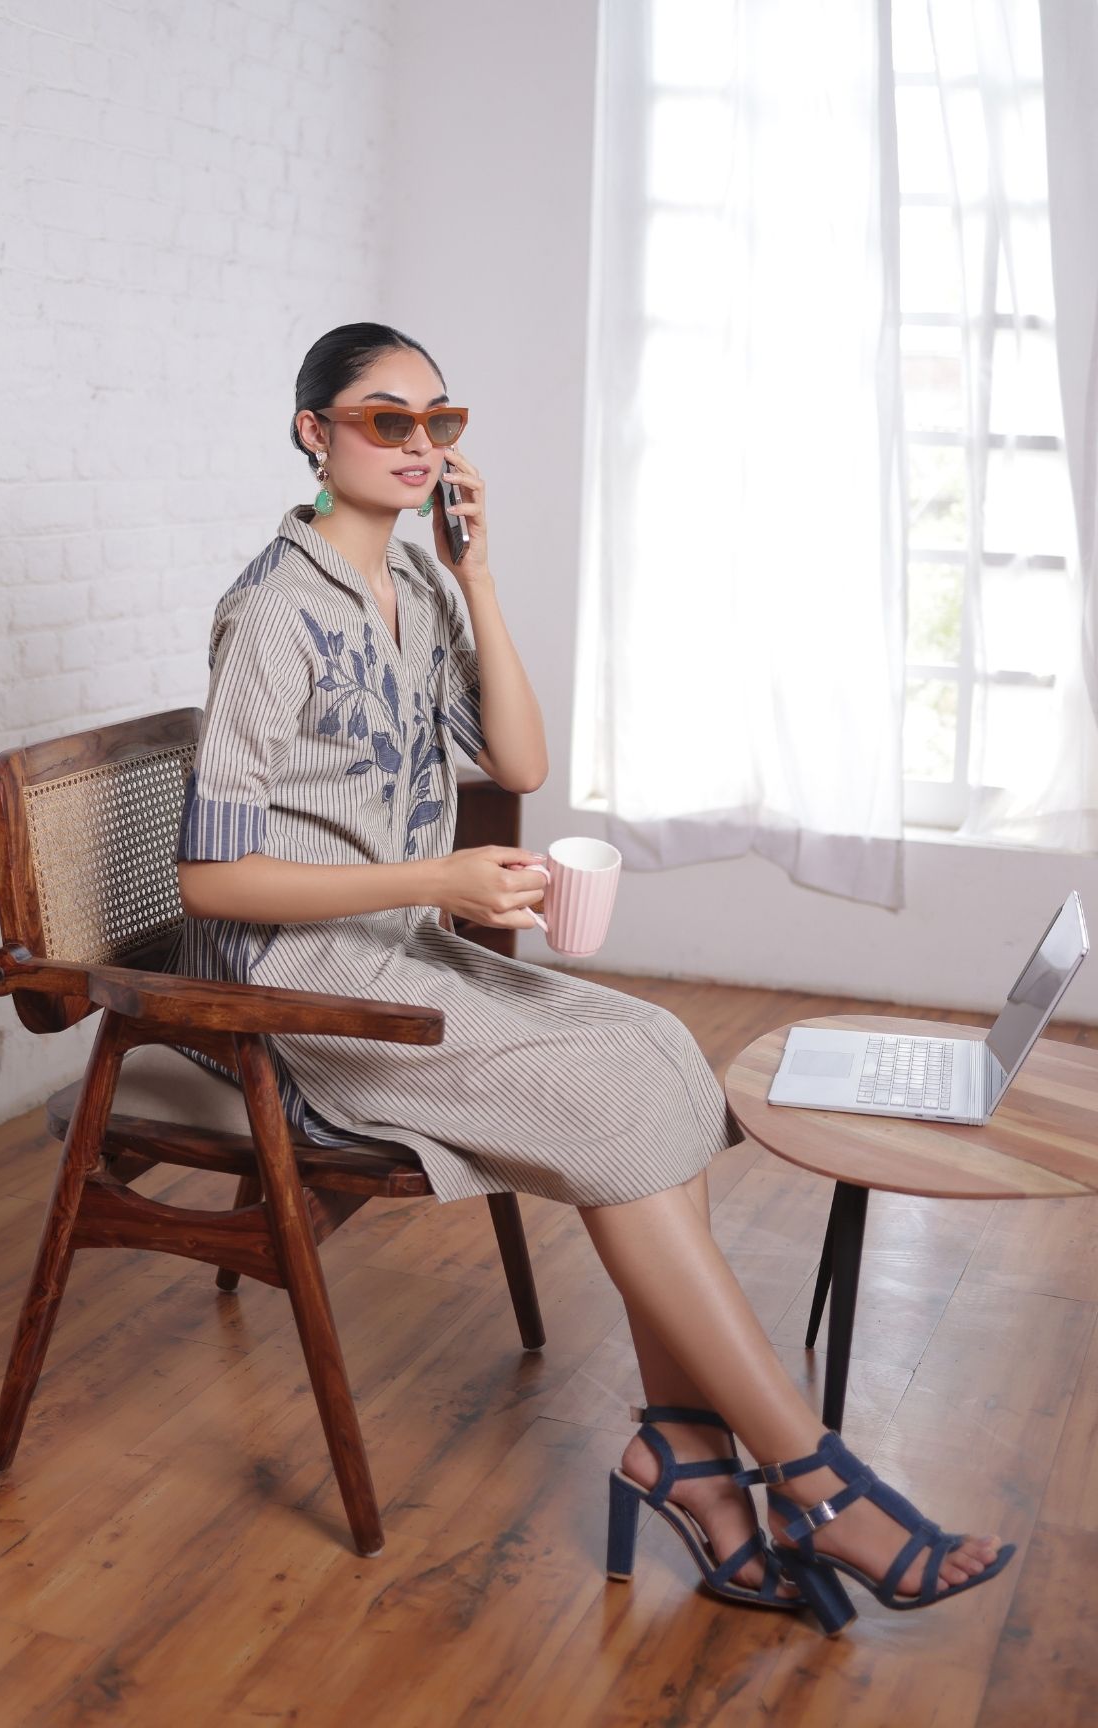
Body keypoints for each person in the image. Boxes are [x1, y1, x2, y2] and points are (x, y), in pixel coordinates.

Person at [174, 321, 1013, 1633]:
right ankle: (816, 1480)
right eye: (385, 420)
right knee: (617, 1102)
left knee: (664, 1054)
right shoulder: (270, 615)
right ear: (314, 435)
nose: (418, 445)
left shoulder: (420, 585)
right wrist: (431, 882)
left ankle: (684, 1451)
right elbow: (209, 887)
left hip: (403, 946)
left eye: (439, 421)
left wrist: (481, 574)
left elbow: (515, 760)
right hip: (300, 986)